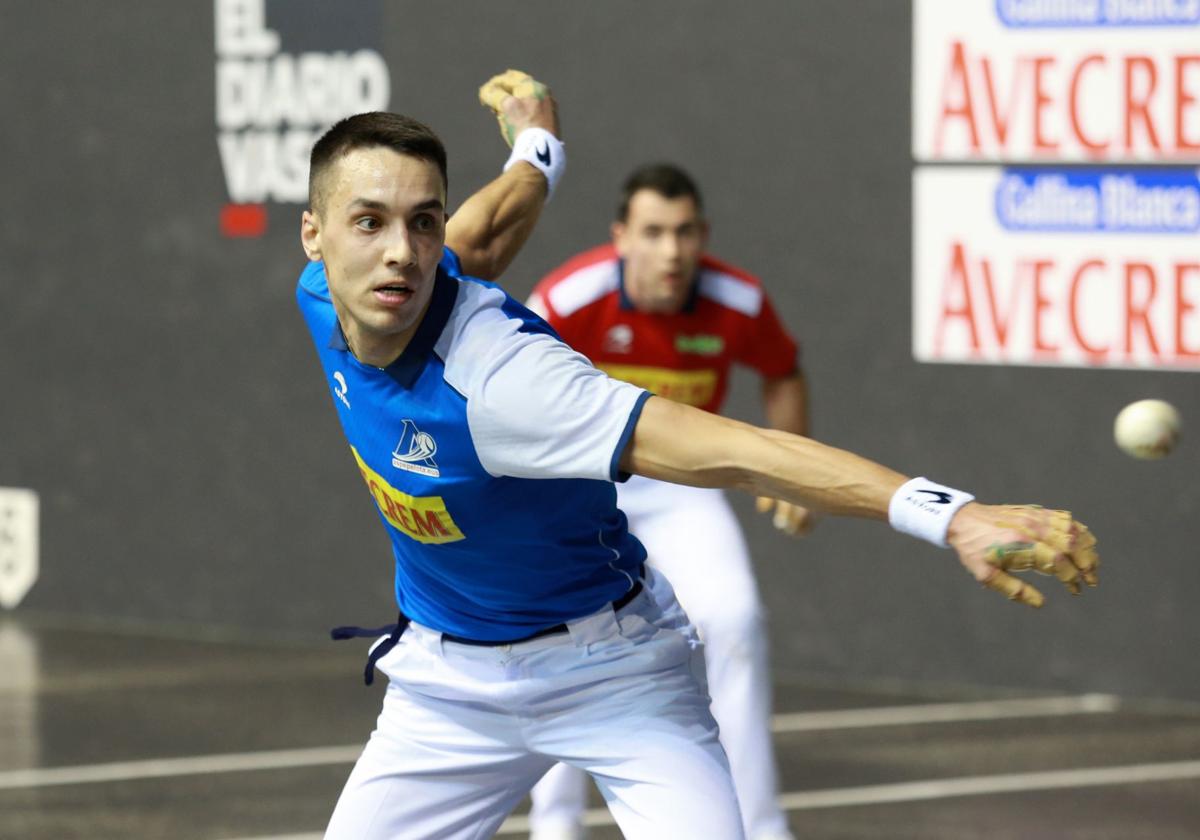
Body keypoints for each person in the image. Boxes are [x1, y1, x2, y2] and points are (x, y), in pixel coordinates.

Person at [294, 72, 1099, 840]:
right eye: (369, 222)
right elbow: (487, 230)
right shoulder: (327, 295)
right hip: (447, 688)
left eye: (421, 223)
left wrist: (948, 515)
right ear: (315, 236)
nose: (402, 252)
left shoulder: (505, 383)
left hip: (610, 671)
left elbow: (739, 452)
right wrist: (538, 146)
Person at [525, 164, 808, 840]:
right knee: (564, 640)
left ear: (703, 236)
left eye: (685, 234)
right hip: (577, 493)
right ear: (622, 237)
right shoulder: (567, 298)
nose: (672, 252)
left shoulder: (737, 301)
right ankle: (556, 824)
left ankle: (759, 827)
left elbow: (782, 372)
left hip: (680, 488)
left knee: (736, 620)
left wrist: (793, 472)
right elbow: (512, 388)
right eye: (654, 233)